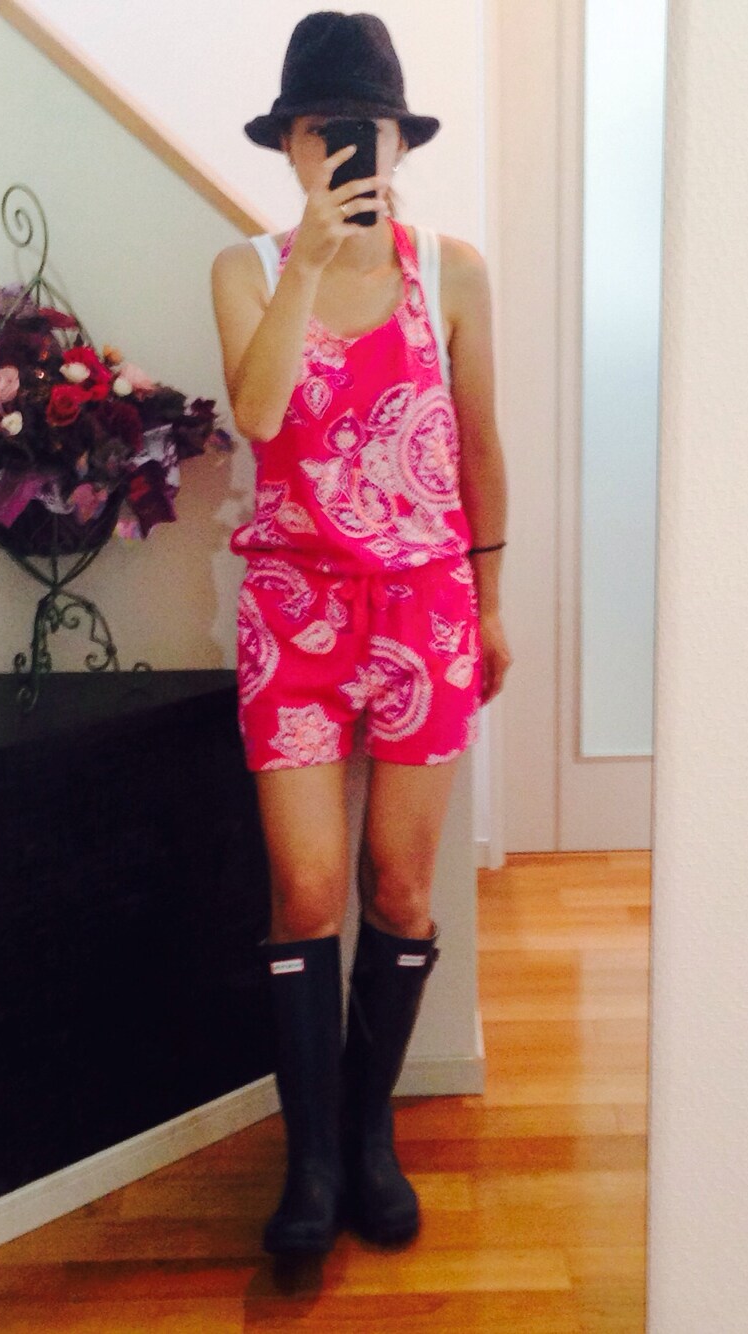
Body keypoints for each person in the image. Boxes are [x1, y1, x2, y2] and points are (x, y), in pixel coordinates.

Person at [211, 11, 510, 1257]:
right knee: (307, 885)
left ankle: (367, 1129)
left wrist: (492, 600)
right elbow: (261, 413)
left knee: (398, 883)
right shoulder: (243, 269)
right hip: (293, 613)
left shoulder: (455, 270)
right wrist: (306, 265)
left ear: (399, 141)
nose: (342, 147)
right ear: (289, 144)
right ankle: (313, 1160)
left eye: (365, 128)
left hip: (425, 607)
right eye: (319, 130)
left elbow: (480, 447)